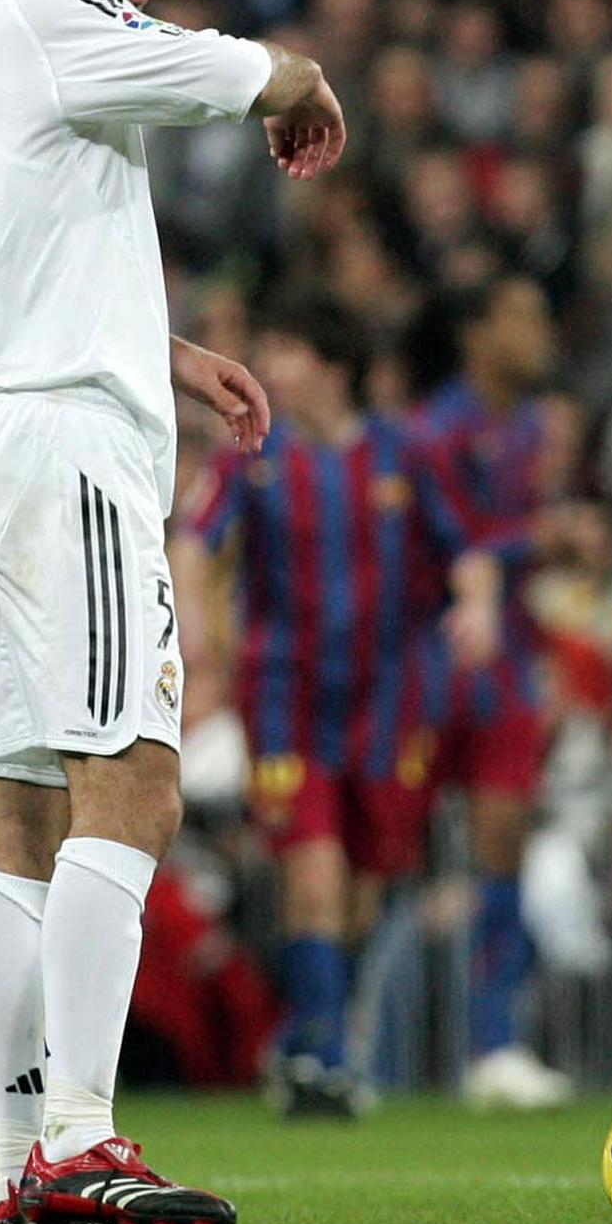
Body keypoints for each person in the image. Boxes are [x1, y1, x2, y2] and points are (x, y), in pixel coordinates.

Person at [0, 0, 345, 1224]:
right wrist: (301, 80)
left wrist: (167, 352)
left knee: (21, 815)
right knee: (137, 780)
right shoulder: (51, 17)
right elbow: (248, 72)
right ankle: (81, 1137)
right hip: (63, 462)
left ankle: (15, 1168)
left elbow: (32, 260)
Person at [172, 294, 504, 1117]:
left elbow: (468, 547)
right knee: (312, 868)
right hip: (284, 693)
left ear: (334, 367)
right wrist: (195, 627)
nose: (270, 367)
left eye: (287, 349)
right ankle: (324, 1057)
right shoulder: (253, 453)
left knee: (361, 882)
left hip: (390, 698)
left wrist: (477, 607)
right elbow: (194, 540)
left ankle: (311, 1035)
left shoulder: (406, 452)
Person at [416, 274, 575, 1107]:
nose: (540, 332)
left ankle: (493, 1042)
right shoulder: (438, 431)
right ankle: (340, 1038)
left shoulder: (528, 428)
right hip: (426, 659)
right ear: (477, 332)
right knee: (380, 857)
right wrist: (538, 538)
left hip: (505, 664)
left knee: (504, 836)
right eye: (523, 315)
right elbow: (450, 544)